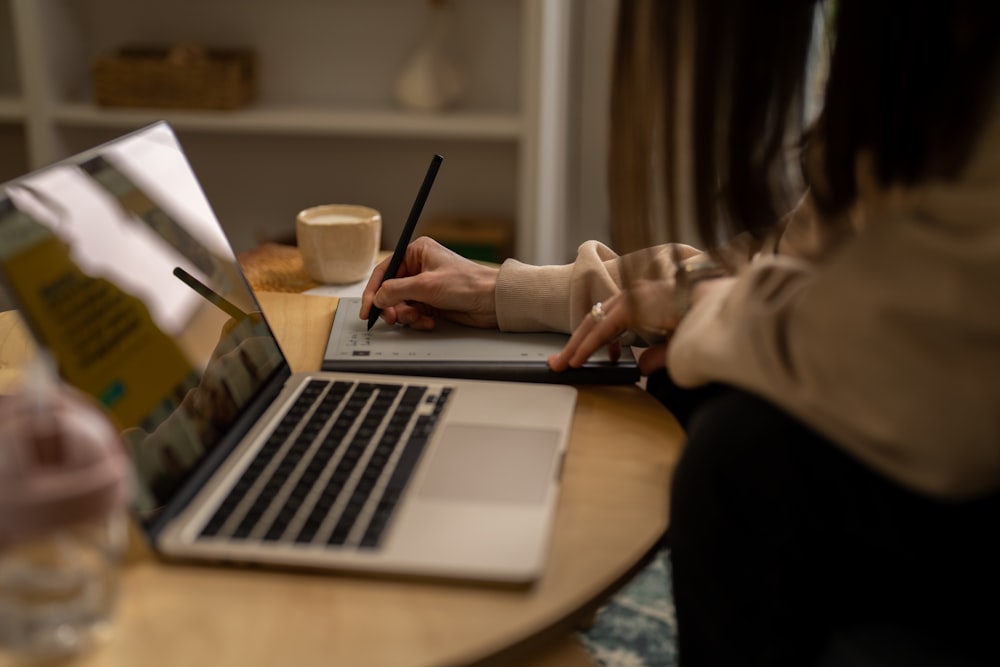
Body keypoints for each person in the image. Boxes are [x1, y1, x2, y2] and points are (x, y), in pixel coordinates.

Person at [360, 0, 1000, 664]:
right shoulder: (900, 52)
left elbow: (943, 363)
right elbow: (779, 266)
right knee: (676, 378)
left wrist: (710, 313)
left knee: (734, 445)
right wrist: (502, 290)